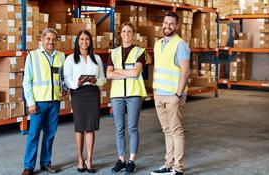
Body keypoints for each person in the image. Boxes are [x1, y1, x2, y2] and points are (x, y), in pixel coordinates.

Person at [22, 28, 67, 175]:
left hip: (54, 101)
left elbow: (63, 78)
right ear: (41, 39)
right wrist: (30, 102)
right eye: (48, 38)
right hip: (39, 103)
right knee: (34, 134)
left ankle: (46, 163)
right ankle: (28, 166)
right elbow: (27, 81)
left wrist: (64, 89)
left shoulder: (61, 56)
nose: (51, 41)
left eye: (54, 39)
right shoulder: (33, 56)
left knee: (50, 134)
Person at [150, 12, 191, 175]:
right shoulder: (158, 44)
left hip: (174, 95)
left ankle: (178, 168)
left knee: (176, 130)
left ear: (177, 26)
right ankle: (168, 164)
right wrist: (154, 91)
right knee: (167, 131)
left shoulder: (180, 44)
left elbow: (186, 72)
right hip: (159, 93)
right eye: (165, 23)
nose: (167, 26)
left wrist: (178, 95)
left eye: (171, 24)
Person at [106, 22, 147, 175]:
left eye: (129, 31)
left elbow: (136, 73)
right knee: (119, 128)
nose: (127, 34)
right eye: (124, 31)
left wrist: (118, 70)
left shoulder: (140, 52)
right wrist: (126, 72)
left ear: (133, 34)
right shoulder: (113, 52)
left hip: (133, 93)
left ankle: (131, 161)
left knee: (132, 127)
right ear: (120, 34)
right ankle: (121, 160)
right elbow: (108, 74)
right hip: (117, 94)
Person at [63, 30, 106, 173]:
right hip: (78, 94)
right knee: (80, 127)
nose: (84, 42)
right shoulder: (70, 59)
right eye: (81, 39)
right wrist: (77, 83)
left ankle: (89, 159)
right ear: (77, 41)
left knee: (90, 127)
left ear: (90, 41)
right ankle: (80, 159)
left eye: (87, 39)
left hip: (93, 93)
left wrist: (95, 80)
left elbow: (103, 79)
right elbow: (67, 79)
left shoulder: (97, 58)